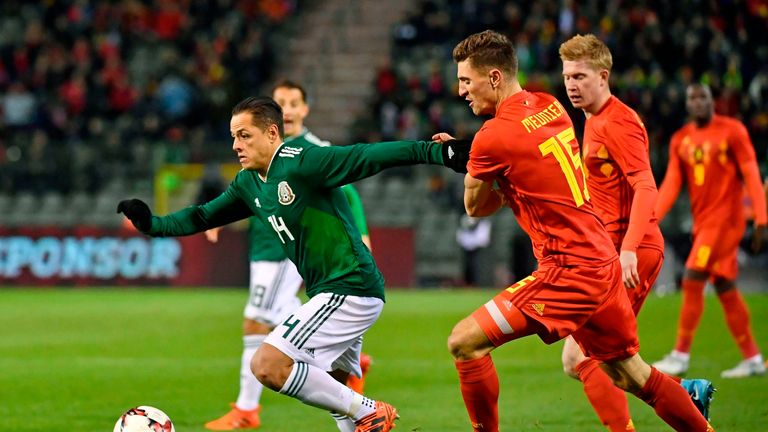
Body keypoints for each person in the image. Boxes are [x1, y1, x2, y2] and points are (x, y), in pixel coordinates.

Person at [118, 96, 470, 432]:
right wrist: (152, 224)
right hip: (333, 291)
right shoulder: (248, 183)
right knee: (336, 389)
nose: (236, 146)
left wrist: (438, 151)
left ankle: (372, 410)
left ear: (272, 133)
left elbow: (367, 155)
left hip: (349, 287)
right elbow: (201, 216)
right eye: (233, 137)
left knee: (267, 364)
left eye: (244, 136)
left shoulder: (301, 161)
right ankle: (364, 414)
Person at [436, 30, 712, 432]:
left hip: (568, 270)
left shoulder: (492, 137)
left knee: (464, 342)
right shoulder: (551, 107)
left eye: (466, 80)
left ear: (494, 77)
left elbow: (475, 207)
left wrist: (472, 166)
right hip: (602, 261)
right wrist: (488, 166)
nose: (460, 90)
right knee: (629, 375)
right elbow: (524, 173)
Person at [558, 34, 715, 430]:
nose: (571, 85)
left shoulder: (620, 121)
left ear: (603, 76)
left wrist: (627, 249)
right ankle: (686, 393)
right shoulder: (593, 120)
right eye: (567, 76)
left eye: (580, 76)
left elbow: (646, 186)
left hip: (632, 251)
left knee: (582, 358)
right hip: (610, 252)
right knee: (603, 362)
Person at [203, 80, 374, 431]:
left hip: (289, 252)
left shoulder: (312, 150)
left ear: (305, 109)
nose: (289, 110)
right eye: (282, 103)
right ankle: (345, 355)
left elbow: (346, 195)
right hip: (264, 246)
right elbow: (244, 192)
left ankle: (248, 409)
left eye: (294, 103)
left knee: (257, 321)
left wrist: (363, 234)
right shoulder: (259, 148)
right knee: (269, 323)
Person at [652, 83, 767, 379]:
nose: (698, 102)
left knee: (691, 278)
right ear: (687, 104)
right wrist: (649, 219)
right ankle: (753, 358)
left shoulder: (732, 130)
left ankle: (680, 354)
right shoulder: (681, 140)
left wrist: (762, 219)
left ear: (712, 101)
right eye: (692, 98)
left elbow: (752, 173)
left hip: (727, 221)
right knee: (725, 287)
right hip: (703, 223)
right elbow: (672, 185)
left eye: (703, 97)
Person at [456, 214, 492, 286]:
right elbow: (461, 239)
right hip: (467, 250)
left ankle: (478, 283)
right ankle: (467, 283)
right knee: (467, 267)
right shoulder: (465, 224)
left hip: (480, 251)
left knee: (477, 267)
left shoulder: (483, 225)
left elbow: (483, 241)